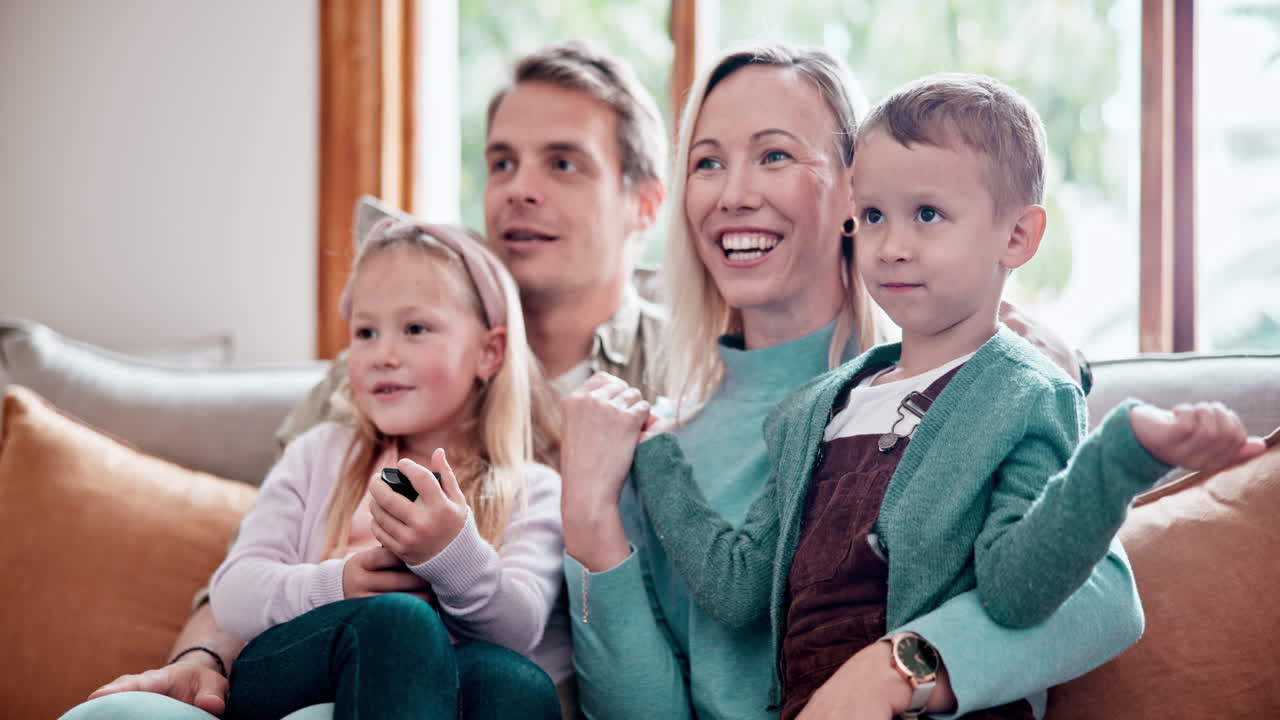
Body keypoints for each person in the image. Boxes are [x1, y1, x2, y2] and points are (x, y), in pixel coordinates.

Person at [628, 72, 1267, 719]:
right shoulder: (812, 412)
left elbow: (1018, 590)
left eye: (927, 215)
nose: (893, 247)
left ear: (1017, 237)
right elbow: (740, 589)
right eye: (874, 215)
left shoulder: (1027, 390)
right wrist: (655, 454)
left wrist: (1123, 456)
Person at [69, 40, 667, 720]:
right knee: (400, 631)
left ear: (646, 204)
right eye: (501, 162)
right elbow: (255, 564)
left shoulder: (679, 373)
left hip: (504, 685)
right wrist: (197, 662)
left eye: (562, 162)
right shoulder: (367, 385)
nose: (518, 188)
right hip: (339, 655)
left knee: (507, 680)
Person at [209, 219, 565, 719]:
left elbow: (519, 628)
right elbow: (234, 592)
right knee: (400, 621)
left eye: (415, 329)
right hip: (298, 668)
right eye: (366, 332)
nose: (383, 355)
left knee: (513, 681)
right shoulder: (321, 454)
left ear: (489, 353)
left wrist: (452, 553)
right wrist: (339, 585)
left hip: (448, 675)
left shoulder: (532, 489)